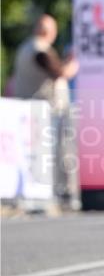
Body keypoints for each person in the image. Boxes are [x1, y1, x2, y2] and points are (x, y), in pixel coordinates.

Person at [12, 14, 80, 207]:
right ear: (49, 32)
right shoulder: (39, 50)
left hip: (29, 111)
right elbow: (59, 72)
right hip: (46, 112)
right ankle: (60, 194)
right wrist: (72, 65)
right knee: (56, 154)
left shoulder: (24, 48)